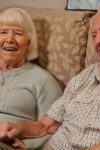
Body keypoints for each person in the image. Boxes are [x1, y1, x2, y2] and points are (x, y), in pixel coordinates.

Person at [0, 4, 100, 150]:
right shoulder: (86, 76)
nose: (98, 41)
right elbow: (47, 125)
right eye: (94, 35)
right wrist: (16, 129)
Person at [0, 8, 62, 149]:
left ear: (29, 42)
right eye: (3, 32)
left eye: (18, 33)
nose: (9, 39)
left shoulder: (43, 80)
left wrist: (26, 146)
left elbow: (53, 128)